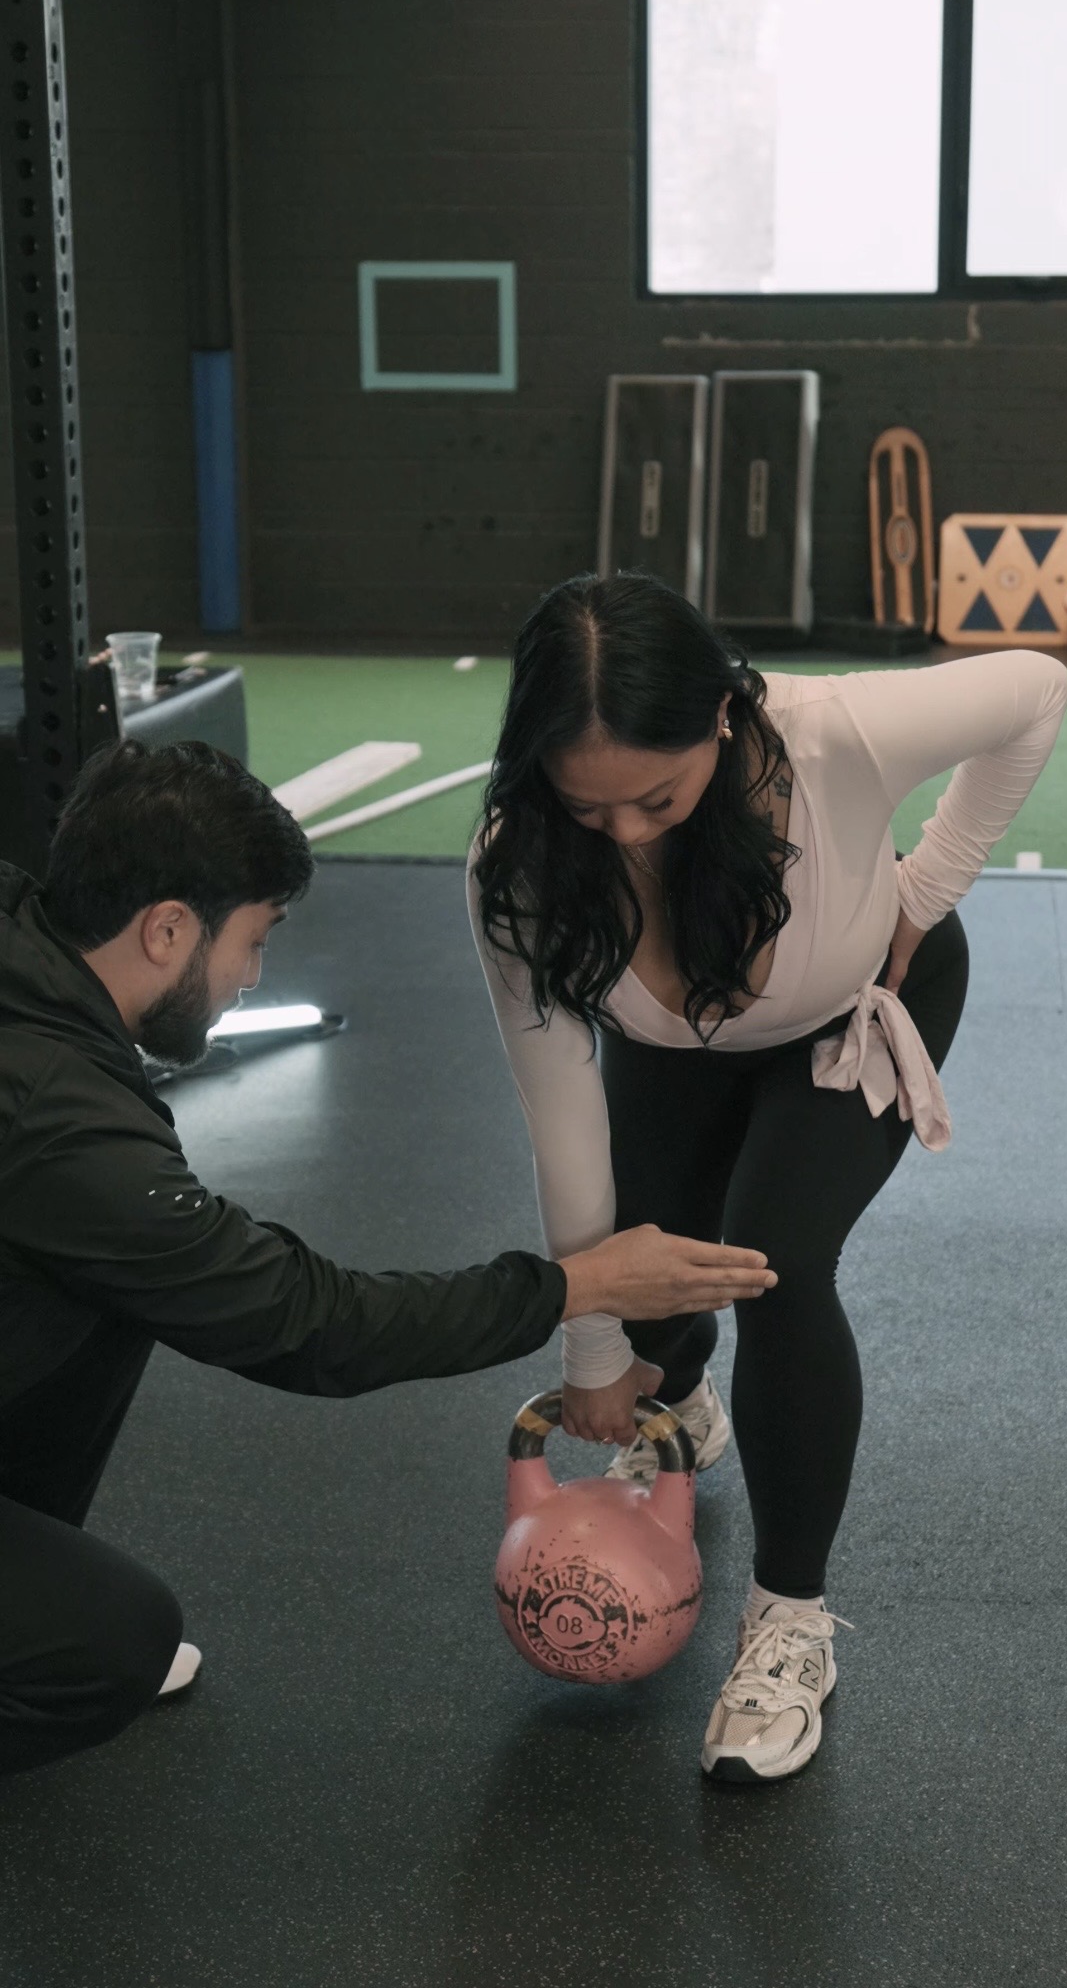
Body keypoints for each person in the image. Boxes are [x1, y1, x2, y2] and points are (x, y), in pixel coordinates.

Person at [0, 739, 776, 1779]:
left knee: (98, 1293)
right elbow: (301, 1319)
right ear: (167, 929)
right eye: (255, 940)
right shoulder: (69, 1129)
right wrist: (577, 1286)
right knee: (115, 1645)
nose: (253, 977)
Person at [469, 573, 1067, 1786]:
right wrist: (596, 1357)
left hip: (857, 1002)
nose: (629, 832)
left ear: (722, 720)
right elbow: (562, 1123)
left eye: (658, 795)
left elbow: (1037, 689)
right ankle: (677, 1406)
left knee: (773, 1259)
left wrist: (933, 879)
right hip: (675, 1038)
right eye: (592, 811)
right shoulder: (518, 867)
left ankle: (791, 1623)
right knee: (654, 1269)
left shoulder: (834, 733)